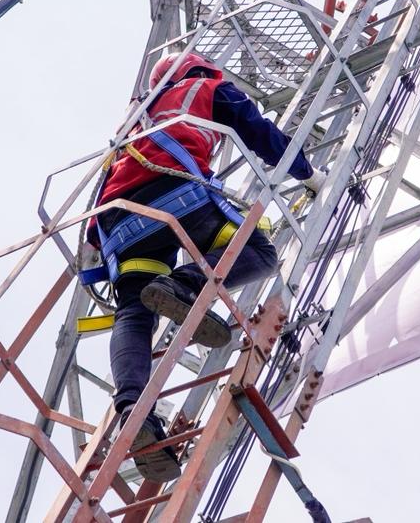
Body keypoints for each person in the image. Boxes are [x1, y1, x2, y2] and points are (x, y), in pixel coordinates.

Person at [84, 51, 321, 481]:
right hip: (173, 193)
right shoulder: (205, 88)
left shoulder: (134, 118)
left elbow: (105, 178)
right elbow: (259, 133)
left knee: (134, 310)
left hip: (115, 225)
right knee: (259, 252)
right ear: (200, 69)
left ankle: (133, 408)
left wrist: (97, 242)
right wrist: (308, 174)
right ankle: (185, 285)